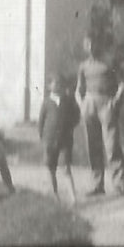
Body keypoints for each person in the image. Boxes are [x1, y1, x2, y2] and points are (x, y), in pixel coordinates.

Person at [76, 33, 124, 196]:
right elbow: (78, 89)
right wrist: (82, 104)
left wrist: (115, 101)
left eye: (93, 43)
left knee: (111, 145)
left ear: (98, 45)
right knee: (93, 146)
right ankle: (96, 184)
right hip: (89, 104)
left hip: (106, 104)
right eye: (88, 44)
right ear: (85, 47)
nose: (91, 47)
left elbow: (122, 83)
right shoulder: (83, 66)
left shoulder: (109, 62)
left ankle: (120, 184)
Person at [37, 74, 81, 203]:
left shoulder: (68, 101)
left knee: (66, 168)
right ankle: (55, 196)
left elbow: (76, 116)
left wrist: (70, 127)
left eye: (60, 84)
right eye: (55, 83)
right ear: (49, 86)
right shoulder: (46, 102)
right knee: (51, 168)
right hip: (49, 140)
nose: (58, 86)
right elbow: (41, 122)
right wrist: (43, 137)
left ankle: (73, 196)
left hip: (65, 140)